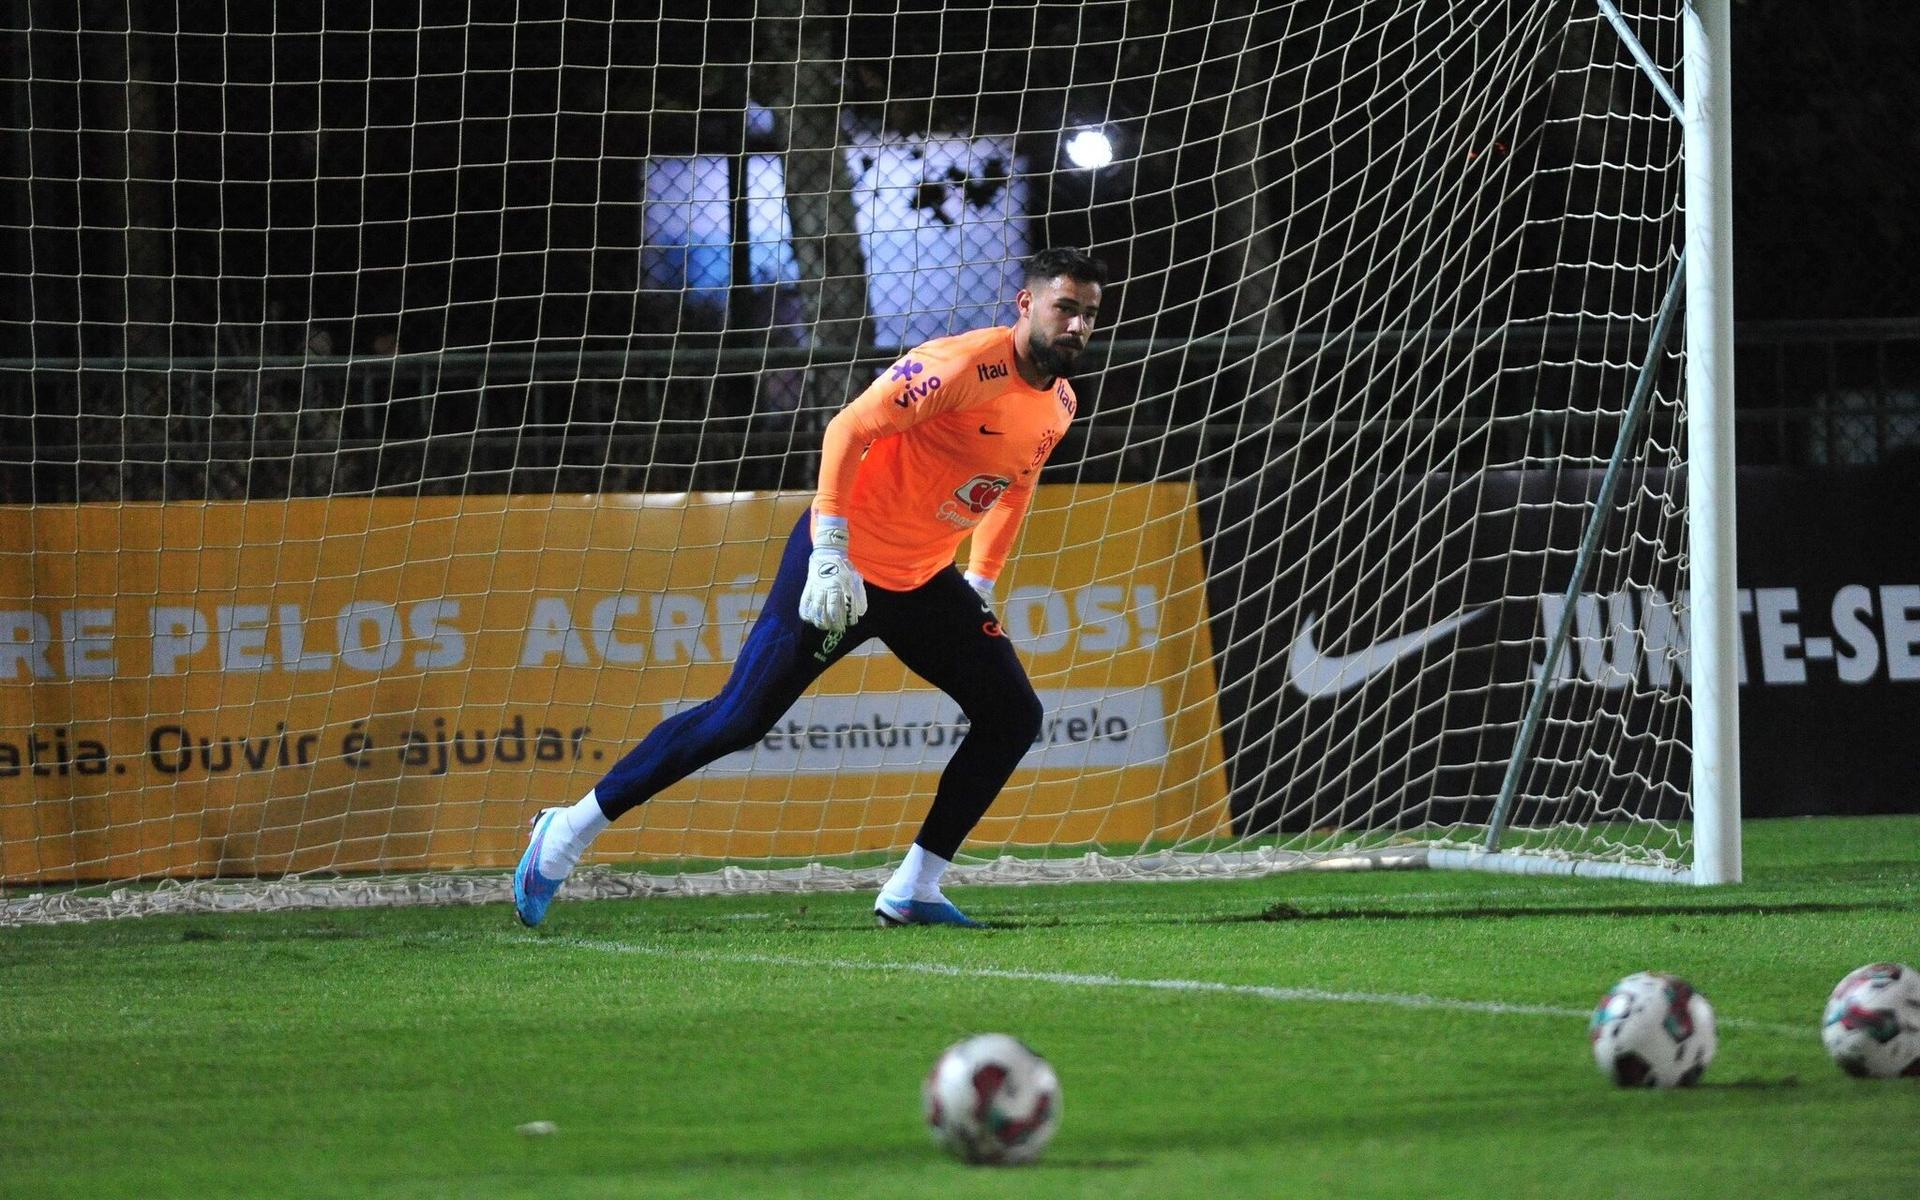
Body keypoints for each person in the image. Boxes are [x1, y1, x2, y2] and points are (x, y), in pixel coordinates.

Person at [513, 247, 1109, 928]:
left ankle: (914, 888)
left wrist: (980, 577)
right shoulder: (960, 366)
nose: (1078, 325)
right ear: (1026, 304)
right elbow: (848, 426)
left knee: (1013, 716)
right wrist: (830, 549)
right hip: (844, 565)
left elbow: (1013, 486)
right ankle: (563, 833)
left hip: (923, 582)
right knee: (740, 719)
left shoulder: (1060, 404)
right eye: (1066, 307)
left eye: (1089, 314)